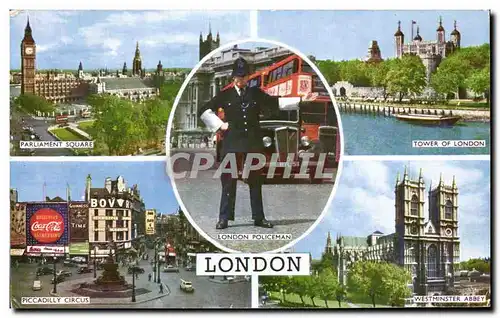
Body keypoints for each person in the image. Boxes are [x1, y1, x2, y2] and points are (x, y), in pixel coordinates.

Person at [198, 57, 301, 230]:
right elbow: (204, 110)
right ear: (233, 77)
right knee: (228, 180)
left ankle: (259, 218)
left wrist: (300, 100)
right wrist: (220, 125)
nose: (241, 79)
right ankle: (224, 218)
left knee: (255, 180)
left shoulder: (255, 93)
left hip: (253, 143)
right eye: (238, 76)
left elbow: (275, 102)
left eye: (244, 76)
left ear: (247, 77)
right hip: (232, 143)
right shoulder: (225, 95)